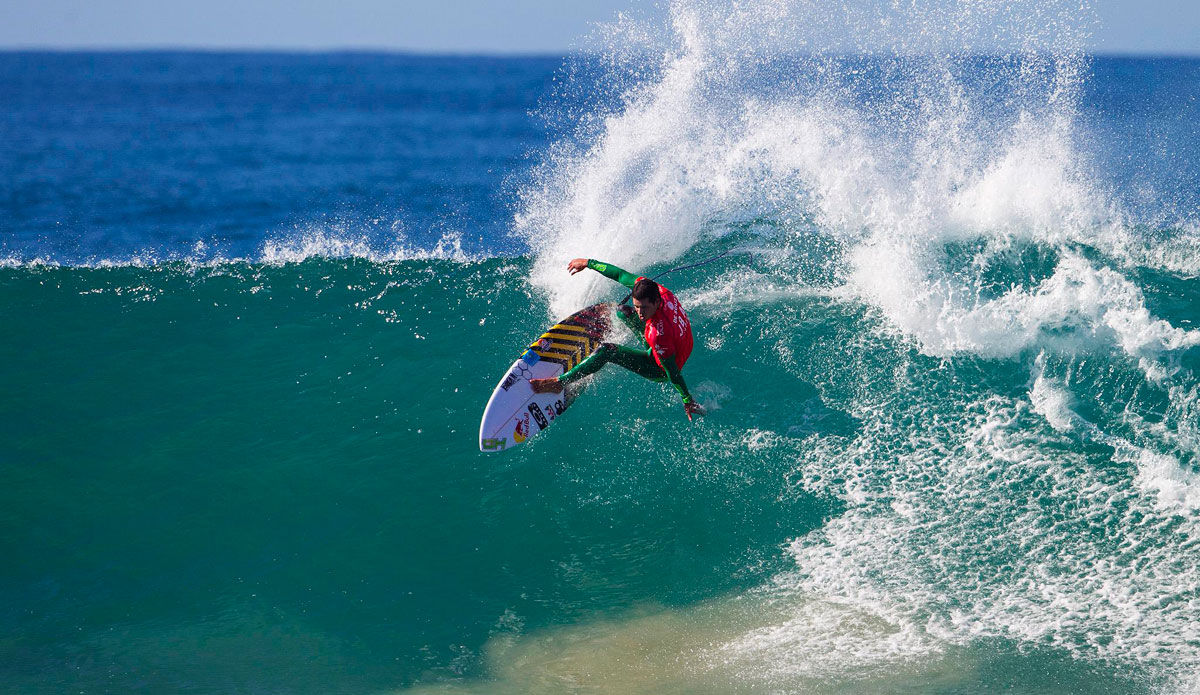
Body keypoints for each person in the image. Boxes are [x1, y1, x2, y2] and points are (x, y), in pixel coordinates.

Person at [531, 258, 706, 420]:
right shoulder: (662, 292)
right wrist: (588, 262)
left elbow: (673, 372)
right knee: (622, 311)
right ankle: (623, 328)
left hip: (661, 366)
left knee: (607, 351)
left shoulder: (659, 335)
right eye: (637, 307)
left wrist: (686, 398)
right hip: (679, 341)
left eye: (644, 308)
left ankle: (559, 383)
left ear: (656, 301)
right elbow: (619, 274)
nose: (640, 312)